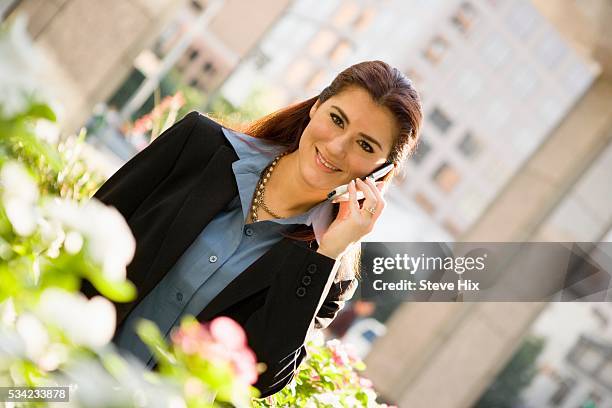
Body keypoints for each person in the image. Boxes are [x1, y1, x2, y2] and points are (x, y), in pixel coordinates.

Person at [80, 60, 422, 397]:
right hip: (59, 364)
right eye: (336, 119)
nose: (337, 147)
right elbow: (88, 228)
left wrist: (328, 253)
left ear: (380, 172)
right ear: (316, 107)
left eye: (365, 145)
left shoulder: (327, 272)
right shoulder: (198, 145)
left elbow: (262, 379)